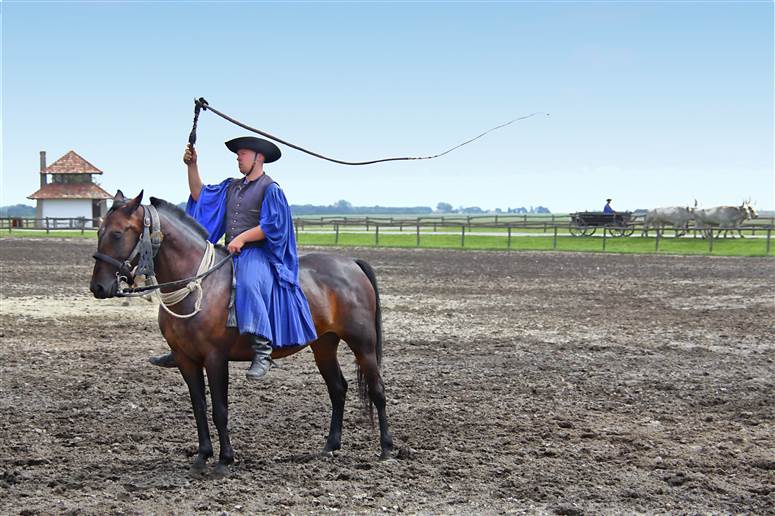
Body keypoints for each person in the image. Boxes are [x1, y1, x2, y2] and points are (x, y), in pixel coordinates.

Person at [149, 137, 318, 380]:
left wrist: (243, 238)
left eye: (243, 154)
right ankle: (184, 345)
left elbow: (273, 226)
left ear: (259, 158)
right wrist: (192, 165)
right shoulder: (232, 187)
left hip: (257, 253)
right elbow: (199, 194)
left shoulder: (271, 189)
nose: (238, 158)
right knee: (196, 282)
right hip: (230, 252)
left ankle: (262, 350)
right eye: (237, 154)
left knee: (248, 284)